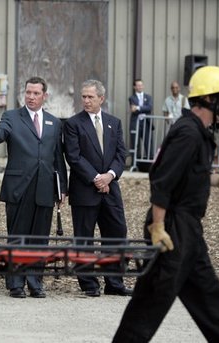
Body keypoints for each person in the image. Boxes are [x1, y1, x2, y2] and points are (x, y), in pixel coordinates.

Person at [113, 66, 219, 342]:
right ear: (209, 100)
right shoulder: (188, 132)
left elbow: (190, 174)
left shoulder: (198, 131)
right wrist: (158, 226)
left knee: (208, 296)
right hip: (171, 227)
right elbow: (162, 179)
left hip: (188, 229)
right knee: (151, 300)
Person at [0, 76, 67, 299]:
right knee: (17, 236)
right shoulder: (12, 117)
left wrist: (62, 187)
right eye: (28, 93)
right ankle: (16, 283)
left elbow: (57, 158)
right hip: (19, 188)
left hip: (45, 188)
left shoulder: (54, 122)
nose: (31, 97)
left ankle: (35, 282)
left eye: (36, 93)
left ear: (45, 96)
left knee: (39, 239)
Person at [63, 79, 131, 297]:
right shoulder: (73, 124)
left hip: (110, 190)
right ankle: (89, 284)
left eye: (90, 97)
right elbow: (73, 156)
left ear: (101, 98)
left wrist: (109, 176)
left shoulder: (114, 122)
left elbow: (121, 154)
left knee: (116, 234)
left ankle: (115, 283)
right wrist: (96, 178)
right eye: (83, 96)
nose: (86, 100)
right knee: (84, 239)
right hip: (85, 190)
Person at [129, 79, 154, 159]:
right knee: (135, 143)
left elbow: (149, 108)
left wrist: (138, 107)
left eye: (141, 85)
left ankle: (150, 162)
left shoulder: (148, 97)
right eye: (138, 85)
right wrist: (142, 108)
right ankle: (135, 163)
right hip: (136, 122)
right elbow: (133, 110)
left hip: (146, 123)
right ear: (134, 87)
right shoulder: (132, 98)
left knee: (148, 143)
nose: (140, 87)